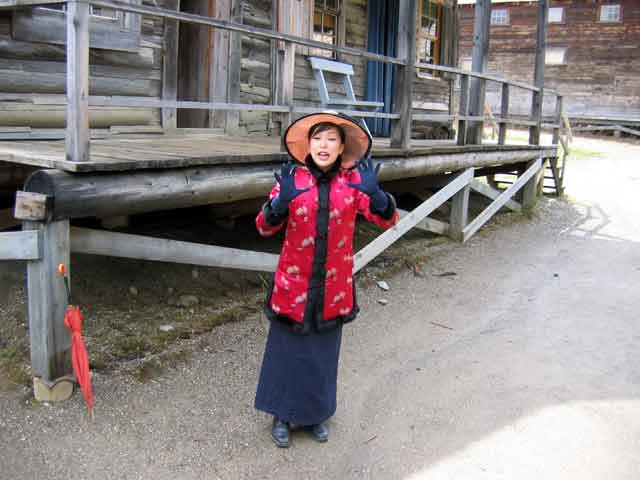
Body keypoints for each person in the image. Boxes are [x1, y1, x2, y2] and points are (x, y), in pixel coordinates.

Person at [254, 111, 398, 448]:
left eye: (331, 139)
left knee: (322, 354)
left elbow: (387, 220)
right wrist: (280, 203)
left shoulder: (353, 182)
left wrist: (377, 196)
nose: (324, 144)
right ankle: (283, 416)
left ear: (341, 147)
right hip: (294, 284)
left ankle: (316, 415)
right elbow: (263, 227)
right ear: (308, 144)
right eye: (318, 138)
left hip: (333, 287)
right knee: (287, 352)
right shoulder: (291, 180)